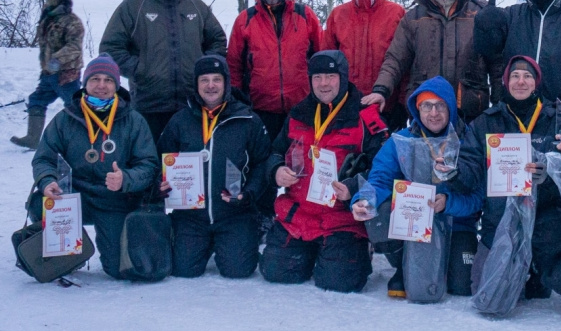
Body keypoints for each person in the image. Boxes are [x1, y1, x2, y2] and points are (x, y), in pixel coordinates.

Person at [259, 51, 388, 293]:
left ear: (343, 77)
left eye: (330, 76)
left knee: (339, 282)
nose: (323, 83)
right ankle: (313, 251)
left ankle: (357, 250)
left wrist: (353, 188)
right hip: (299, 214)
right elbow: (275, 152)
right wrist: (276, 171)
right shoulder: (298, 112)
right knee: (276, 271)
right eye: (317, 77)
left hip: (342, 218)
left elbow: (384, 168)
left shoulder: (365, 117)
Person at [30, 54, 159, 279]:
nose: (101, 85)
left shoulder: (133, 120)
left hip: (113, 199)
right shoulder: (65, 118)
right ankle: (66, 250)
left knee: (117, 269)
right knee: (39, 205)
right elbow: (43, 158)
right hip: (73, 197)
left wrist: (125, 179)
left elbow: (148, 165)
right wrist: (47, 180)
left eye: (108, 80)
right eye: (95, 79)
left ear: (117, 85)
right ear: (84, 83)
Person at [355, 76, 484, 298]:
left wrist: (448, 203)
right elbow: (380, 178)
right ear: (417, 109)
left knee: (463, 285)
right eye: (427, 105)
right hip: (413, 221)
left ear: (451, 108)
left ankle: (438, 266)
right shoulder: (401, 140)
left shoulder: (467, 140)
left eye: (440, 105)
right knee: (380, 213)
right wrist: (365, 199)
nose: (434, 113)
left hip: (457, 223)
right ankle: (404, 267)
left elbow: (478, 197)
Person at [467, 56, 561, 298]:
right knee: (485, 295)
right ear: (506, 82)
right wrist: (453, 173)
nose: (521, 81)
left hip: (543, 219)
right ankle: (513, 268)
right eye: (515, 76)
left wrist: (547, 174)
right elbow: (469, 164)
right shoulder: (487, 121)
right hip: (498, 219)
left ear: (536, 82)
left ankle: (536, 267)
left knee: (545, 288)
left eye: (527, 76)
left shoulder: (558, 118)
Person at [156, 55, 271, 279]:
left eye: (216, 79)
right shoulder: (180, 121)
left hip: (234, 214)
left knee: (238, 270)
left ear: (226, 82)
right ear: (196, 84)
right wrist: (159, 185)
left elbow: (262, 164)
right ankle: (197, 242)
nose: (211, 86)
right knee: (183, 270)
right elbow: (160, 160)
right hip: (191, 216)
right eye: (204, 80)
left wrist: (249, 195)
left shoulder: (247, 119)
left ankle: (238, 237)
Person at [100, 0, 227, 141]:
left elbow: (217, 40)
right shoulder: (134, 6)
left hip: (192, 103)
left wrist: (205, 69)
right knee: (149, 158)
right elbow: (110, 48)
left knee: (188, 162)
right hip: (148, 103)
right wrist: (140, 69)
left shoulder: (195, 6)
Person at [366, 0, 492, 129]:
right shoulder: (414, 18)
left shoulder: (480, 14)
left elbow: (497, 64)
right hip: (425, 111)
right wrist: (381, 90)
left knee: (467, 157)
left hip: (470, 110)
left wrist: (501, 106)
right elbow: (395, 59)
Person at [227, 0, 323, 140]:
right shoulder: (245, 20)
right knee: (264, 161)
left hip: (302, 107)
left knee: (300, 161)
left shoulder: (304, 16)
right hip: (260, 109)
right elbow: (234, 65)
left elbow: (322, 57)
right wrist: (238, 102)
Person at [323, 0, 407, 128]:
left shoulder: (396, 13)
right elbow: (326, 59)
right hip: (344, 104)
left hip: (386, 104)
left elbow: (405, 59)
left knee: (383, 153)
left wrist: (402, 102)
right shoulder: (338, 14)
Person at [12, 0, 84, 149]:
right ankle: (32, 138)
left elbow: (74, 47)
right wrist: (47, 66)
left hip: (66, 74)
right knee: (37, 100)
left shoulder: (72, 21)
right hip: (48, 74)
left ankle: (80, 141)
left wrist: (56, 60)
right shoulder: (48, 20)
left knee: (75, 107)